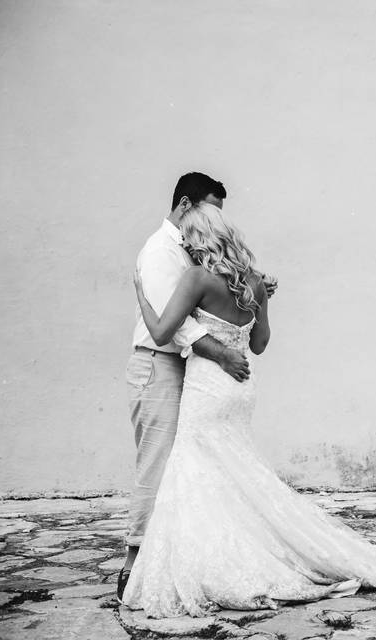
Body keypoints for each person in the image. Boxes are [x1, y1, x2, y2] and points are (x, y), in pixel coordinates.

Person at [122, 202, 376, 617]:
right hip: (241, 389)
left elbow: (161, 331)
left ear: (200, 238)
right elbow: (259, 343)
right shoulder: (254, 283)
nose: (187, 245)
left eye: (190, 238)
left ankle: (217, 559)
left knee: (198, 471)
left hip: (207, 390)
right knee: (232, 471)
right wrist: (258, 303)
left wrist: (142, 294)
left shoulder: (196, 278)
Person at [121, 172, 276, 601]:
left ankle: (151, 567)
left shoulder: (196, 270)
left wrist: (141, 299)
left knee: (179, 470)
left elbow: (169, 325)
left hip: (201, 375)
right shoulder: (160, 251)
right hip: (173, 369)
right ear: (188, 208)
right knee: (180, 468)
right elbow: (242, 337)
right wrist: (250, 308)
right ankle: (140, 560)